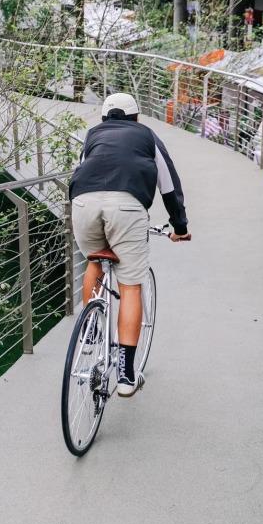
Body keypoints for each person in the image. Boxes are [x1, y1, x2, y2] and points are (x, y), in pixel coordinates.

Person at [69, 93, 191, 398]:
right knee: (131, 286)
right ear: (137, 118)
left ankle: (91, 332)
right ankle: (125, 375)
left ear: (104, 119)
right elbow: (169, 185)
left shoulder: (93, 136)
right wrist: (180, 227)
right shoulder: (147, 136)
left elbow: (80, 171)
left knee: (94, 262)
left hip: (83, 202)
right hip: (126, 207)